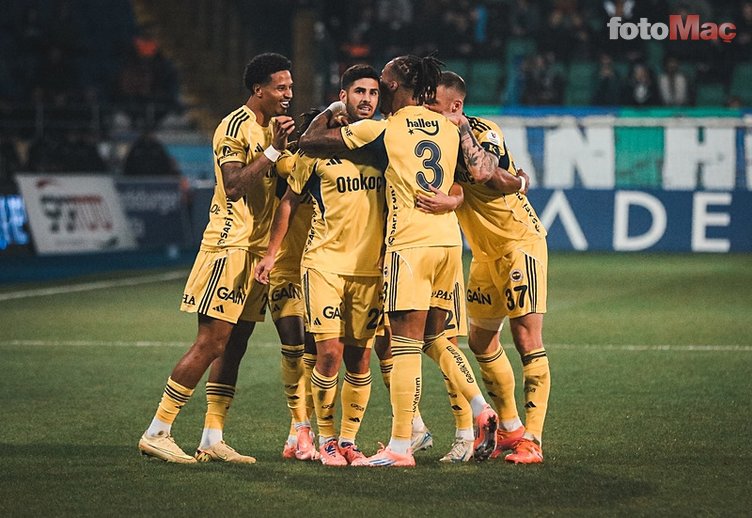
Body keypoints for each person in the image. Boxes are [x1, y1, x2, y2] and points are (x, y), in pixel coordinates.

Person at [299, 55, 499, 467]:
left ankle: (401, 445)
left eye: (383, 82)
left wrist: (334, 108)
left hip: (409, 245)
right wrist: (455, 196)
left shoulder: (383, 129)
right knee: (437, 339)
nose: (378, 88)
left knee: (404, 345)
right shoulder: (447, 127)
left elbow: (310, 141)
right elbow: (475, 176)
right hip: (448, 244)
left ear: (393, 87)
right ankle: (480, 408)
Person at [137, 52, 295, 464]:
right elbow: (235, 185)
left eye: (290, 87)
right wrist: (274, 152)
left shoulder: (274, 128)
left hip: (256, 251)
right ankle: (157, 430)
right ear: (258, 89)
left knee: (235, 345)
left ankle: (212, 437)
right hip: (229, 247)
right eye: (280, 87)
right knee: (211, 342)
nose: (288, 94)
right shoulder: (234, 126)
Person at [255, 64, 384, 466]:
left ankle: (348, 441)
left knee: (360, 360)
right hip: (323, 264)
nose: (367, 99)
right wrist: (271, 253)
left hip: (370, 268)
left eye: (373, 93)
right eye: (359, 92)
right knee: (326, 353)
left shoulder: (383, 146)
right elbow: (289, 201)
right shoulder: (313, 152)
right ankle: (322, 438)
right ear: (343, 97)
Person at [425, 70, 550, 464]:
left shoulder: (483, 130)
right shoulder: (434, 139)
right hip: (483, 253)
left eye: (434, 105)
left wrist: (461, 127)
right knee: (480, 342)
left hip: (519, 243)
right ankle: (510, 429)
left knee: (526, 338)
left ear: (456, 106)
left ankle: (533, 439)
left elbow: (483, 173)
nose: (428, 111)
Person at [268, 133, 318, 462]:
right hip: (285, 270)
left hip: (318, 271)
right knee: (293, 347)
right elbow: (285, 163)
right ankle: (300, 426)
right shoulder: (292, 164)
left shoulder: (338, 170)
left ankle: (297, 432)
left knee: (315, 354)